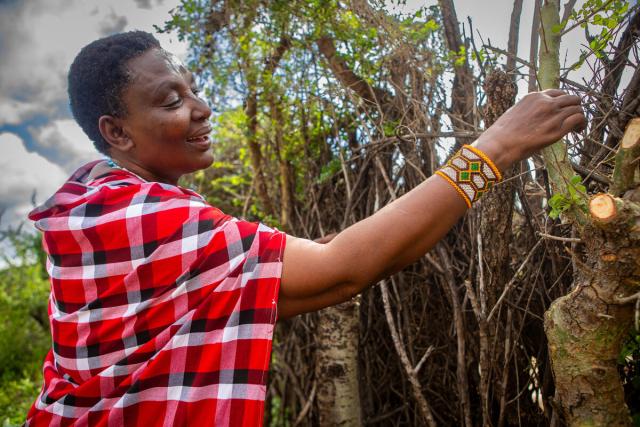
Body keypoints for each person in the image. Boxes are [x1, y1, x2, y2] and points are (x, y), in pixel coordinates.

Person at [25, 31, 585, 426]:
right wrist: (497, 146)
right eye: (172, 100)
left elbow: (272, 281)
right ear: (116, 132)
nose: (202, 108)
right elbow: (341, 272)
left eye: (193, 89)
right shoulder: (145, 217)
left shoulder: (94, 210)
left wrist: (302, 257)